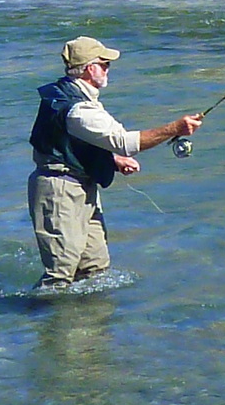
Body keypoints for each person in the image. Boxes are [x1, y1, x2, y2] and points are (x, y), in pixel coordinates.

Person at [27, 35, 201, 288]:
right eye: (104, 63)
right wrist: (176, 128)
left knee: (95, 268)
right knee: (59, 276)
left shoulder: (69, 93)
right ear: (89, 69)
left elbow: (70, 138)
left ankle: (91, 325)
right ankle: (47, 322)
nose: (109, 67)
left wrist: (112, 159)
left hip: (79, 185)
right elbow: (124, 141)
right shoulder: (79, 109)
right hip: (59, 192)